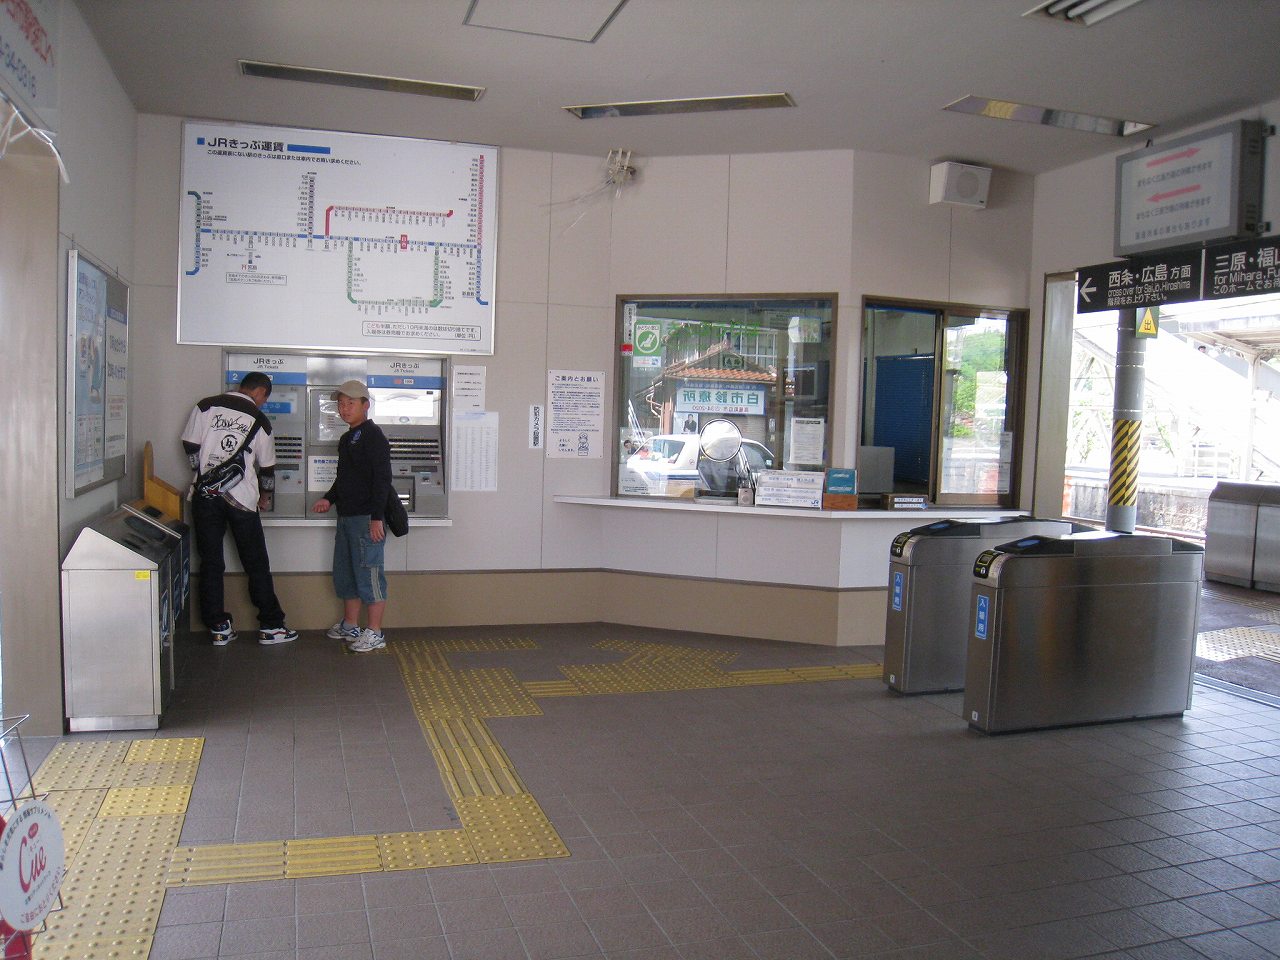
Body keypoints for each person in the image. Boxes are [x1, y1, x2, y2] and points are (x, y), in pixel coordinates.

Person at [182, 372, 298, 645]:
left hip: (205, 496)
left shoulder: (206, 406)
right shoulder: (260, 420)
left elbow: (189, 444)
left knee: (210, 561)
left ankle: (218, 627)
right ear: (260, 393)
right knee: (256, 562)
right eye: (264, 399)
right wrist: (265, 497)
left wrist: (203, 473)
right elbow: (267, 469)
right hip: (242, 500)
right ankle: (271, 625)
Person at [312, 379, 393, 653]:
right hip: (346, 517)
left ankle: (375, 632)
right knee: (346, 572)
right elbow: (344, 478)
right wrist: (329, 498)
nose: (344, 409)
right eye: (341, 404)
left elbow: (382, 479)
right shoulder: (347, 439)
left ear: (365, 405)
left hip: (367, 518)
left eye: (350, 403)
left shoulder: (373, 436)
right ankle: (350, 625)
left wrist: (376, 517)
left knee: (370, 573)